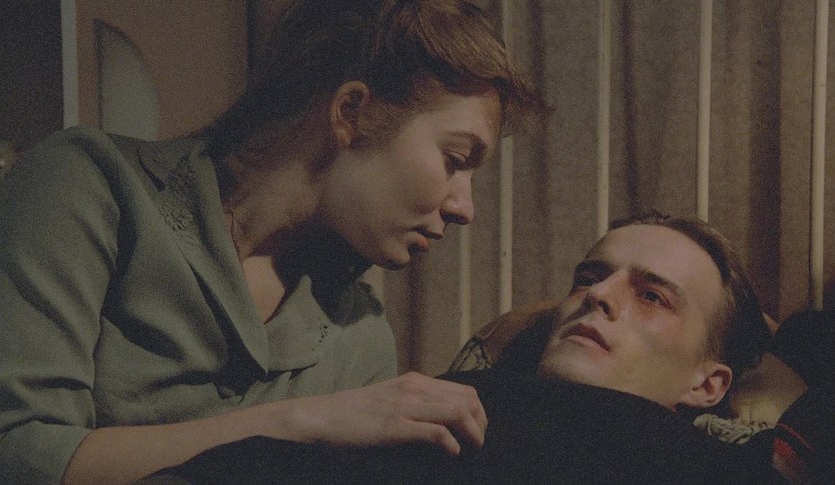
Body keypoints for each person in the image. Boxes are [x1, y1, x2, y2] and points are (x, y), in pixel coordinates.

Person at [0, 0, 543, 483]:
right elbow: (20, 453)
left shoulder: (359, 338)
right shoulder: (89, 188)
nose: (465, 208)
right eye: (455, 159)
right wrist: (302, 422)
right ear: (352, 111)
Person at [146, 213, 832, 483]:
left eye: (652, 295)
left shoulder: (725, 469)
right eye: (590, 275)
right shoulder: (422, 405)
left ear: (707, 385)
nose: (597, 295)